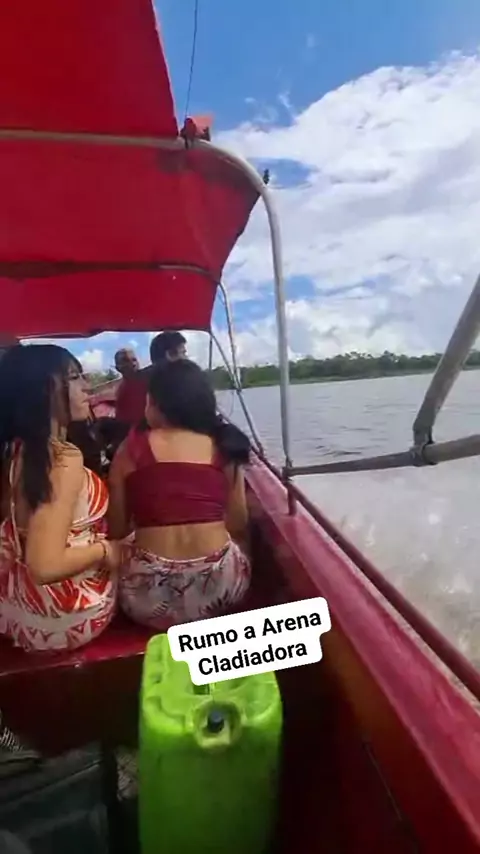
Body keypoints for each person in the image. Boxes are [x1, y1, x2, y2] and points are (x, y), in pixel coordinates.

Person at [107, 358, 251, 630]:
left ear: (155, 404)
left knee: (122, 546)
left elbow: (116, 529)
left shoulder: (131, 448)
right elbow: (238, 523)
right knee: (236, 542)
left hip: (147, 604)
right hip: (222, 592)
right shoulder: (224, 445)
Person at [0, 344, 123, 653]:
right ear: (44, 391)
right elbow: (45, 565)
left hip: (19, 611)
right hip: (64, 622)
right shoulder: (64, 460)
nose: (86, 386)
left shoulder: (16, 450)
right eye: (74, 377)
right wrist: (105, 550)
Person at [114, 333, 187, 430]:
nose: (132, 364)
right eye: (125, 360)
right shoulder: (124, 392)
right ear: (118, 368)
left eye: (134, 360)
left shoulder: (162, 378)